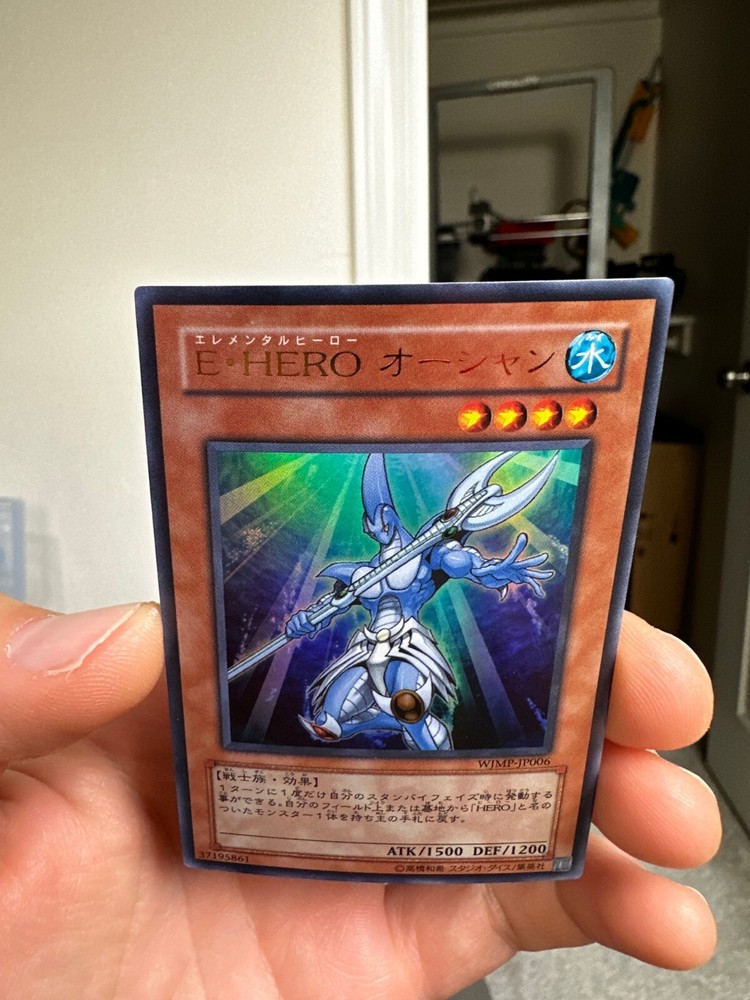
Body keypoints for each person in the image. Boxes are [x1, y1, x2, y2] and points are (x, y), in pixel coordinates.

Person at [0, 594, 721, 998]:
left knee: (409, 705)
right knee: (333, 710)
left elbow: (465, 571)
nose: (381, 527)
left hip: (404, 667)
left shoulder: (422, 575)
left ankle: (423, 743)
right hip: (360, 672)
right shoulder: (357, 578)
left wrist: (506, 574)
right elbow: (315, 612)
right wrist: (307, 621)